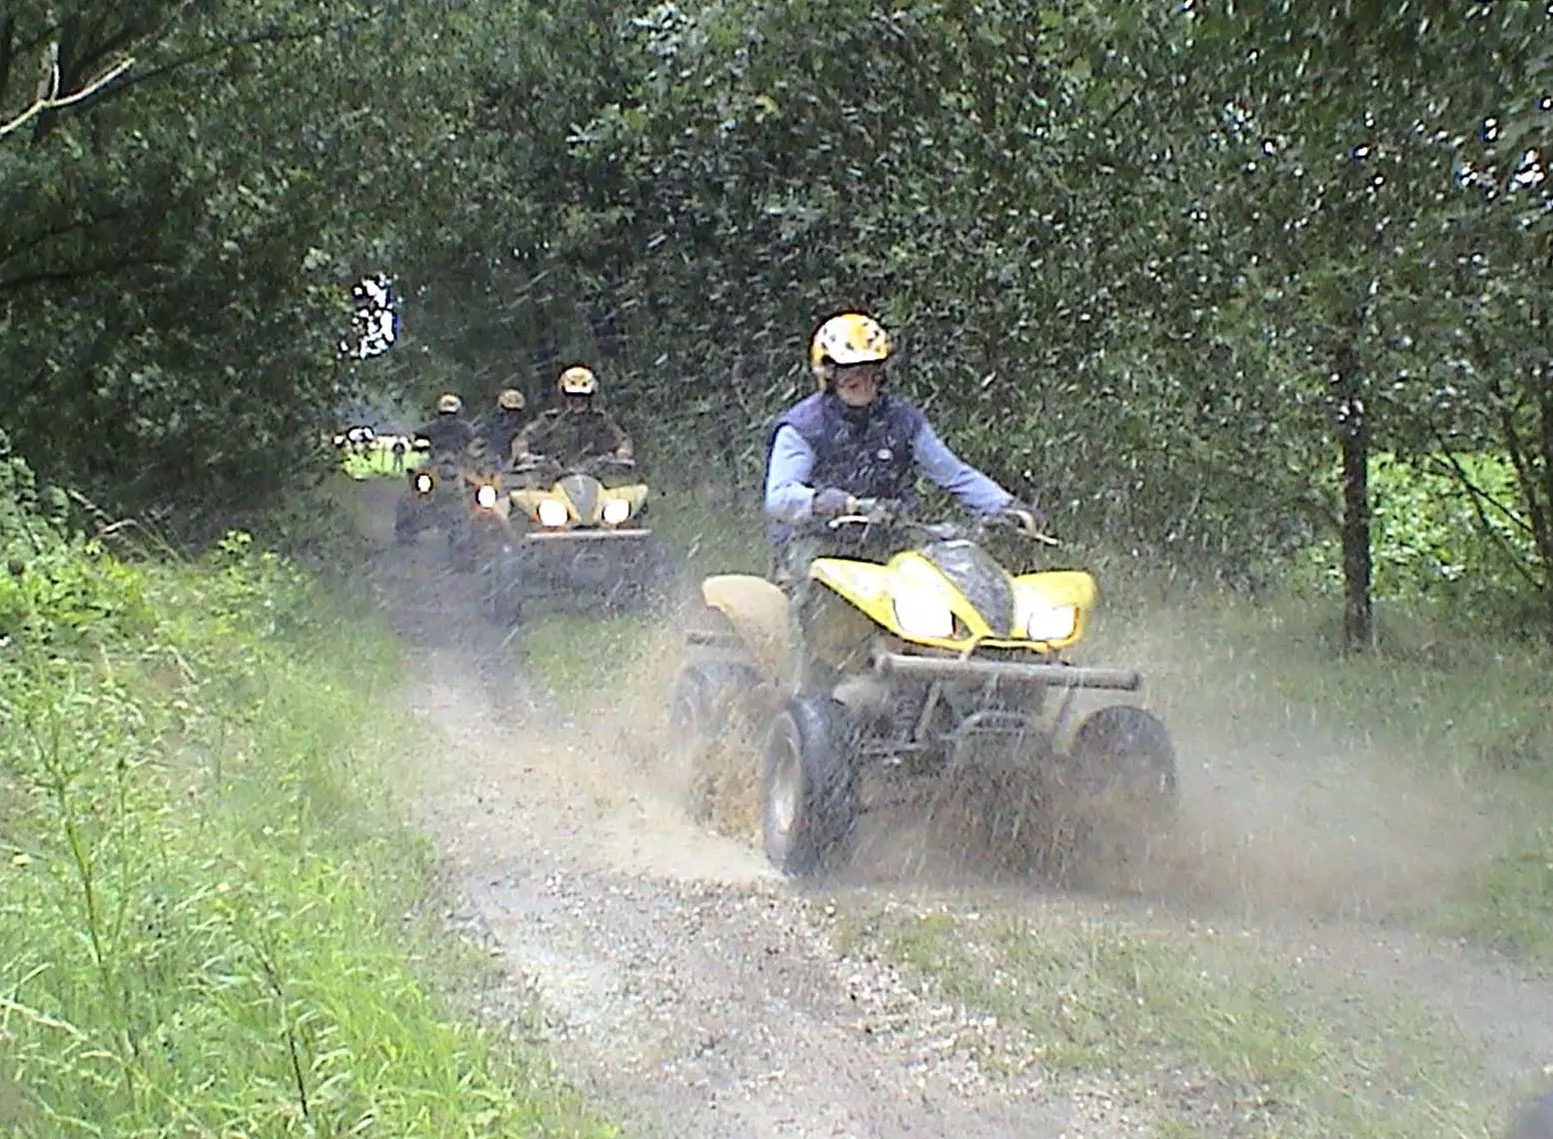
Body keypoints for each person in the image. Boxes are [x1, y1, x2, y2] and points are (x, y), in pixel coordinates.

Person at [763, 312, 1044, 582]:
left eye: (870, 370)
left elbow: (955, 475)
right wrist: (821, 502)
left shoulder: (903, 420)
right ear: (828, 374)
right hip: (817, 543)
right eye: (849, 372)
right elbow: (778, 497)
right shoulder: (801, 427)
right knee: (826, 592)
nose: (861, 381)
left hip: (891, 538)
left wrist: (1008, 507)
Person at [512, 366, 634, 470]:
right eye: (572, 395)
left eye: (583, 396)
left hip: (595, 479)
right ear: (564, 395)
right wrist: (523, 455)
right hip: (552, 479)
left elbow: (622, 440)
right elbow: (523, 439)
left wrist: (623, 453)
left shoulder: (601, 420)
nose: (578, 400)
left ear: (590, 396)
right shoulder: (550, 419)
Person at [412, 392, 479, 460]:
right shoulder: (431, 428)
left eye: (452, 415)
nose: (448, 417)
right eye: (444, 414)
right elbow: (413, 437)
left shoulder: (466, 429)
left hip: (460, 464)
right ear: (438, 414)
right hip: (433, 463)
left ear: (458, 414)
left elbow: (476, 446)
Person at [484, 387, 529, 466]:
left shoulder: (527, 429)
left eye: (515, 411)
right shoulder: (489, 428)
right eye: (508, 410)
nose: (512, 415)